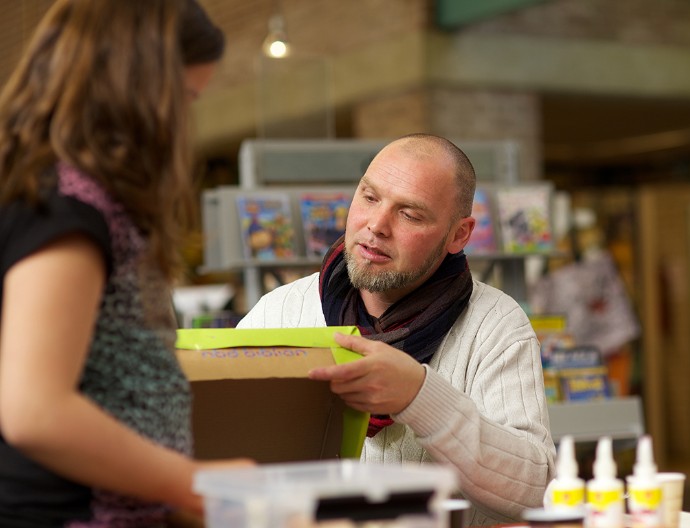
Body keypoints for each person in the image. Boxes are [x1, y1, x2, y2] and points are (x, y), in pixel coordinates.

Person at [0, 1, 251, 526]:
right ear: (135, 85)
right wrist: (195, 486)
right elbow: (34, 412)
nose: (184, 122)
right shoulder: (67, 205)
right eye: (183, 98)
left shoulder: (68, 194)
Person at [237, 133, 557, 526]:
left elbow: (536, 493)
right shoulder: (279, 312)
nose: (376, 225)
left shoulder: (495, 325)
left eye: (410, 214)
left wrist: (421, 396)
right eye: (369, 197)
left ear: (458, 235)